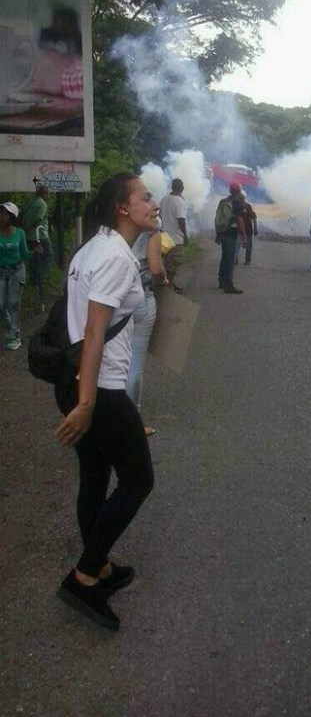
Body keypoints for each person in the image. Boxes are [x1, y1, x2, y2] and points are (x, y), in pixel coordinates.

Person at [54, 173, 158, 631]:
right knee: (138, 480)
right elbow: (95, 330)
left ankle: (100, 566)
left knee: (95, 474)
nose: (153, 203)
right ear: (123, 207)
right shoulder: (116, 257)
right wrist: (89, 401)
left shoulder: (93, 247)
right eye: (146, 197)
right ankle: (84, 576)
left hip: (74, 378)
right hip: (100, 387)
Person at [125, 228, 168, 436]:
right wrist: (164, 279)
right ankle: (132, 423)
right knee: (134, 363)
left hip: (113, 299)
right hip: (141, 298)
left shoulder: (109, 228)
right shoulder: (151, 232)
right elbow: (156, 269)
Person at [0, 201, 33, 350]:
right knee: (1, 304)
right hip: (1, 271)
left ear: (12, 217)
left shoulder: (19, 233)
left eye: (5, 214)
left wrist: (34, 252)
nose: (2, 216)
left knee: (13, 303)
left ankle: (14, 334)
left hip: (16, 271)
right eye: (1, 213)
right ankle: (9, 328)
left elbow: (24, 253)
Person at [21, 183, 53, 309]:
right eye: (48, 192)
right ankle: (40, 276)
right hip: (40, 235)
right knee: (49, 255)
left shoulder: (32, 202)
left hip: (30, 236)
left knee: (33, 258)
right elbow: (38, 218)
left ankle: (34, 278)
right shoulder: (42, 204)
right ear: (44, 193)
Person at [216, 182, 246, 294]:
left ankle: (221, 281)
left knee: (224, 257)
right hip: (231, 234)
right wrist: (243, 235)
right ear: (239, 191)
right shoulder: (237, 203)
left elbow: (217, 219)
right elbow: (239, 219)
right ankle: (229, 285)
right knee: (230, 259)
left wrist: (218, 234)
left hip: (222, 232)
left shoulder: (223, 201)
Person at [159, 179, 188, 293]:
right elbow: (181, 219)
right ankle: (168, 287)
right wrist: (185, 235)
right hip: (176, 239)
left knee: (166, 262)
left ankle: (168, 283)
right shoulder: (179, 201)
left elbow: (160, 215)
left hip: (164, 236)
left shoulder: (164, 199)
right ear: (181, 188)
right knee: (174, 265)